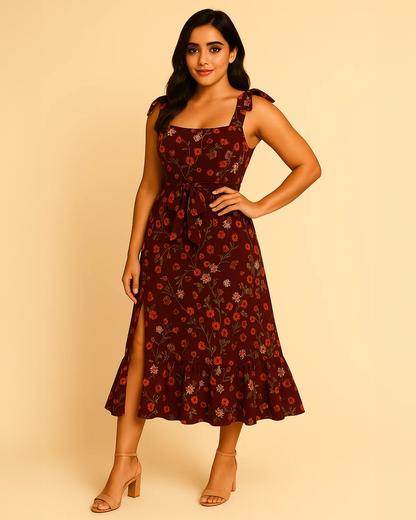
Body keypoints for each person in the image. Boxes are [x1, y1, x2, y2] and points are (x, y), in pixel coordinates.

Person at [91, 8, 321, 513]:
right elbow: (150, 185)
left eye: (214, 48)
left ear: (232, 53)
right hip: (166, 245)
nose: (203, 59)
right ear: (183, 54)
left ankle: (225, 459)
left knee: (231, 348)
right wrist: (132, 254)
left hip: (227, 249)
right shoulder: (163, 109)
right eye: (193, 49)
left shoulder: (253, 108)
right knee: (143, 348)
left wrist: (257, 205)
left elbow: (308, 165)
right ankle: (124, 463)